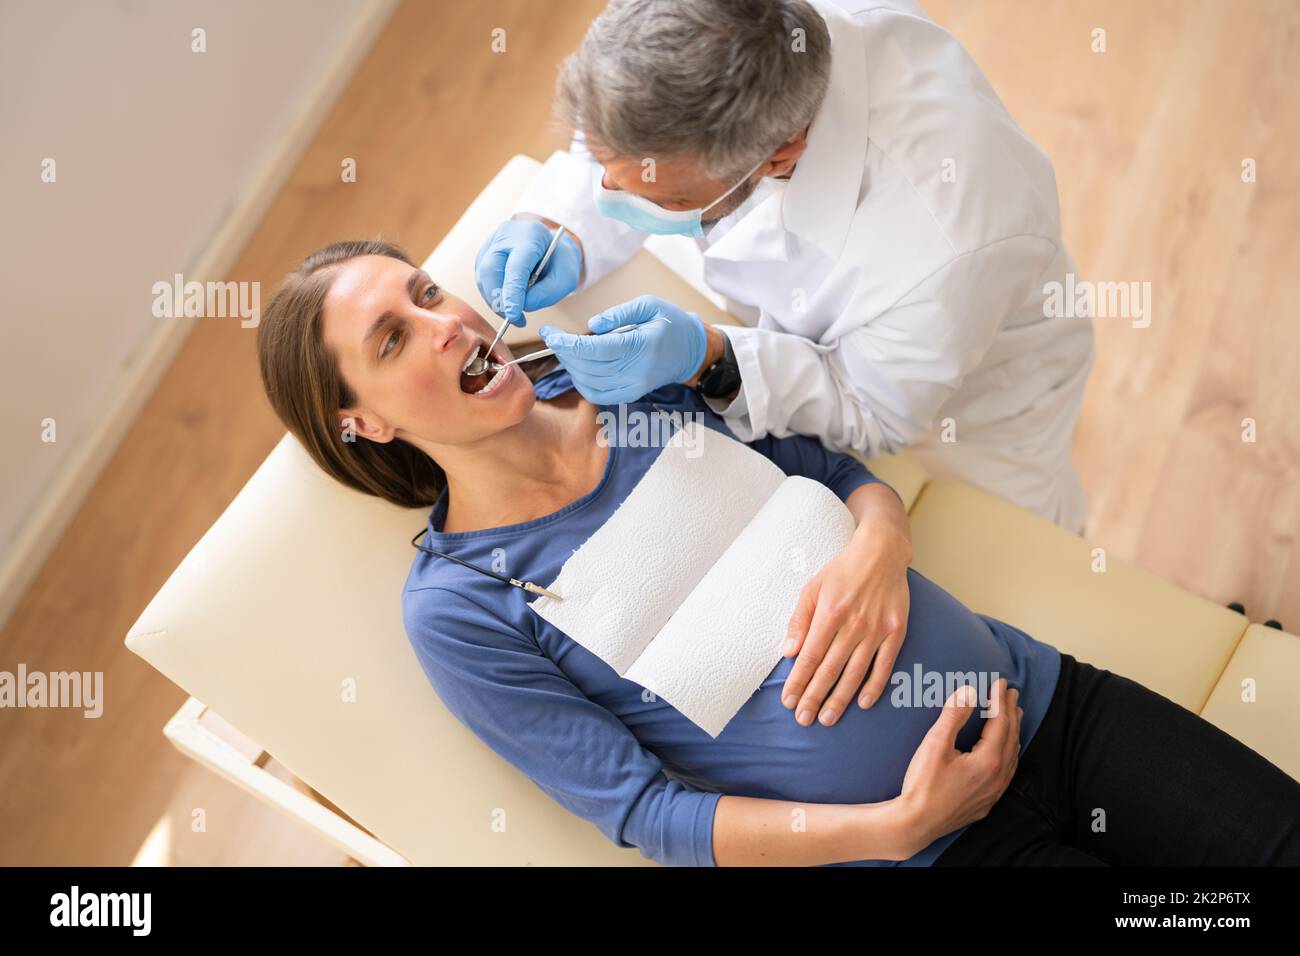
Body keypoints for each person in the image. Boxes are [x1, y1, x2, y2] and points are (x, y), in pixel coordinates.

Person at [255, 240, 1300, 867]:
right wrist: (894, 826)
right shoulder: (461, 604)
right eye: (390, 340)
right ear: (364, 425)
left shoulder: (628, 382)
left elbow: (829, 462)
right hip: (938, 852)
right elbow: (646, 811)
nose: (439, 324)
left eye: (426, 293)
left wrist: (881, 539)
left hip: (1046, 707)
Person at [476, 0, 1096, 534]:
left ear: (779, 155)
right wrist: (561, 221)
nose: (606, 190)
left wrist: (710, 358)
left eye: (669, 202)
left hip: (968, 403)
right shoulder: (694, 29)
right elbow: (634, 128)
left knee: (1021, 550)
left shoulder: (948, 243)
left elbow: (865, 408)